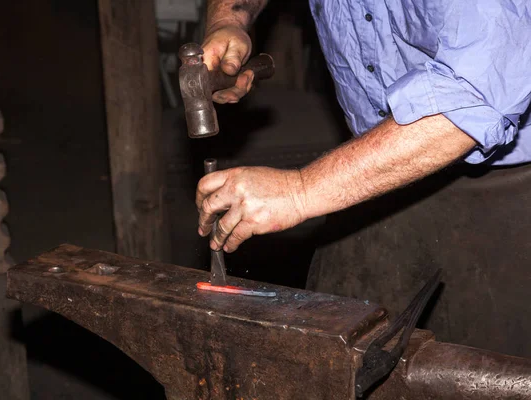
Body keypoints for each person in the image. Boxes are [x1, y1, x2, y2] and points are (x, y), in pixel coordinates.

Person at [195, 0, 531, 356]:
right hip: (371, 174)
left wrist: (300, 191)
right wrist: (230, 19)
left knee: (489, 369)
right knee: (328, 356)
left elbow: (477, 94)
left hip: (511, 187)